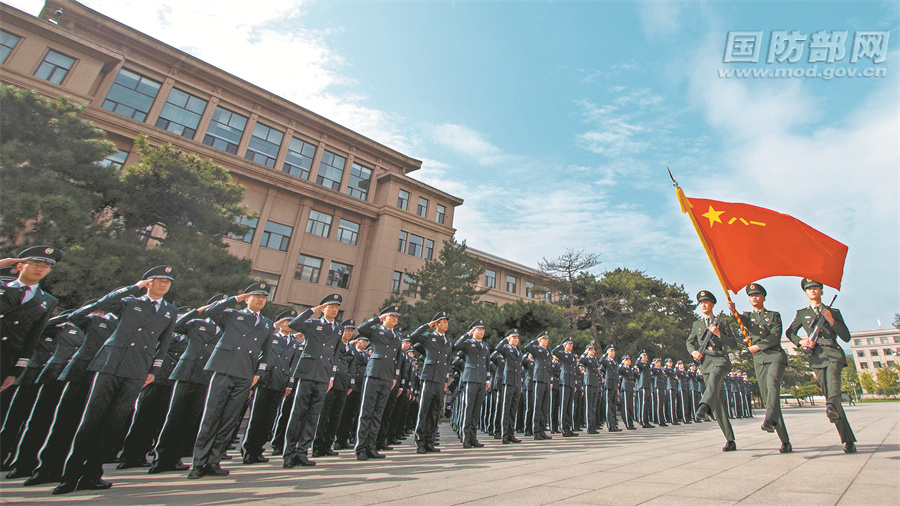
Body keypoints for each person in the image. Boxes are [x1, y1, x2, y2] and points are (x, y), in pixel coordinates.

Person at [54, 266, 178, 494]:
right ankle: (70, 476)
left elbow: (165, 342)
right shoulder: (129, 302)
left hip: (138, 368)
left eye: (167, 282)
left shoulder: (170, 310)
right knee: (91, 420)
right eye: (159, 280)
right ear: (147, 283)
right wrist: (133, 287)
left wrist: (154, 369)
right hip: (111, 364)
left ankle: (93, 474)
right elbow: (103, 303)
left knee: (114, 423)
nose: (163, 285)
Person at [187, 283, 276, 479]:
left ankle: (214, 461)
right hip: (224, 369)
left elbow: (266, 352)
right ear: (247, 299)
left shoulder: (267, 324)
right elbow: (212, 310)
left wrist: (258, 374)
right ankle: (199, 463)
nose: (260, 300)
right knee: (211, 417)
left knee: (229, 419)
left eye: (263, 297)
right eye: (256, 296)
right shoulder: (232, 315)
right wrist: (235, 298)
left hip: (246, 373)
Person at [150, 294, 226, 474]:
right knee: (174, 417)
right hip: (186, 373)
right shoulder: (197, 323)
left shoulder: (226, 329)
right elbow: (176, 326)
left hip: (206, 376)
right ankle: (161, 459)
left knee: (190, 420)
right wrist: (196, 311)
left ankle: (176, 457)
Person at [786, 278, 856, 453]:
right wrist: (801, 342)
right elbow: (790, 332)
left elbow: (846, 336)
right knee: (832, 398)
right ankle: (848, 440)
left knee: (833, 389)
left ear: (821, 291)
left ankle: (830, 406)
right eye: (809, 289)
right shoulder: (802, 314)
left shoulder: (833, 312)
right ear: (806, 293)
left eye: (816, 288)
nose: (813, 291)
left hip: (833, 354)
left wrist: (831, 320)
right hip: (816, 357)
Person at [282, 295, 344, 468]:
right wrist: (313, 310)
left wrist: (331, 376)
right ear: (323, 309)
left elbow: (336, 354)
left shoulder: (339, 328)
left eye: (336, 307)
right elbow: (294, 324)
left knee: (313, 416)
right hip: (307, 372)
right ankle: (289, 454)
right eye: (330, 306)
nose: (334, 310)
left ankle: (302, 452)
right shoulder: (312, 323)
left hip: (324, 375)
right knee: (298, 413)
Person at [0, 246, 61, 392]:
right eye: (35, 264)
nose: (39, 269)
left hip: (5, 359)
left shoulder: (48, 300)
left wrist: (16, 371)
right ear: (19, 266)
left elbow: (33, 337)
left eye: (45, 266)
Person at [242, 310, 299, 464]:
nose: (288, 324)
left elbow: (292, 366)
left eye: (291, 322)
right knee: (256, 417)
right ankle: (248, 451)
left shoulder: (294, 343)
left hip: (280, 382)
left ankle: (258, 450)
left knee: (268, 419)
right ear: (279, 323)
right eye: (286, 321)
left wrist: (289, 384)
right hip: (265, 380)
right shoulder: (271, 337)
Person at [686, 290, 737, 451]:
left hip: (720, 360)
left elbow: (734, 343)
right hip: (705, 363)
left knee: (714, 380)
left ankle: (703, 406)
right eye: (701, 303)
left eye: (706, 302)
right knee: (717, 402)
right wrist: (693, 352)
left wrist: (719, 333)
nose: (703, 305)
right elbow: (689, 342)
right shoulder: (697, 324)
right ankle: (730, 439)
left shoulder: (722, 322)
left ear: (712, 304)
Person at [354, 306, 402, 461]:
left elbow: (398, 359)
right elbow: (361, 328)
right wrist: (377, 319)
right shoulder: (375, 331)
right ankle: (361, 448)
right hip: (374, 374)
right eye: (391, 316)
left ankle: (371, 446)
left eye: (396, 317)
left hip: (387, 377)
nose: (394, 319)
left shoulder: (397, 337)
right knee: (366, 412)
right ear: (384, 318)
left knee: (378, 413)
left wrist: (394, 377)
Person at [409, 312, 453, 454]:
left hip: (440, 379)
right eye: (443, 322)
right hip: (429, 377)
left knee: (435, 412)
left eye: (447, 322)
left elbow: (447, 363)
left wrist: (445, 380)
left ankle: (430, 441)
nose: (446, 324)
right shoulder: (429, 337)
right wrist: (428, 325)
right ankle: (420, 442)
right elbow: (413, 336)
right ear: (436, 324)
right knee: (424, 410)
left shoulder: (448, 341)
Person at [453, 320, 491, 448]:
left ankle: (473, 438)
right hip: (471, 378)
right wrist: (467, 334)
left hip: (481, 379)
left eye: (482, 330)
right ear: (473, 331)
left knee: (476, 410)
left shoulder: (485, 346)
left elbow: (487, 363)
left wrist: (487, 380)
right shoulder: (468, 343)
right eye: (478, 329)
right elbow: (457, 345)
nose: (481, 332)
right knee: (468, 409)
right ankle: (465, 438)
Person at [492, 329, 524, 444]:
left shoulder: (519, 351)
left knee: (513, 409)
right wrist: (505, 339)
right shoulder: (506, 349)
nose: (516, 340)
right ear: (509, 339)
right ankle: (504, 434)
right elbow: (498, 348)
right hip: (508, 381)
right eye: (513, 338)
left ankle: (511, 433)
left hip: (516, 382)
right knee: (506, 409)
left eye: (517, 338)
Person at [524, 332, 552, 440]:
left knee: (544, 407)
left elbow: (549, 367)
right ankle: (536, 431)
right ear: (540, 340)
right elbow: (527, 347)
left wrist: (550, 381)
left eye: (547, 340)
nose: (546, 341)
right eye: (544, 339)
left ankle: (542, 429)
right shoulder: (536, 349)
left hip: (546, 380)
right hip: (538, 379)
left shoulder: (547, 352)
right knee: (537, 405)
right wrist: (536, 340)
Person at [579, 345, 602, 434]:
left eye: (593, 350)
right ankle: (589, 427)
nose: (593, 351)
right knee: (589, 406)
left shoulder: (595, 360)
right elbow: (580, 360)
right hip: (589, 383)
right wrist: (585, 352)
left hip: (595, 383)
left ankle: (593, 425)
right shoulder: (586, 359)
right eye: (591, 350)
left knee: (593, 407)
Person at [599, 345, 621, 432]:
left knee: (613, 406)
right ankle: (610, 425)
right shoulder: (606, 361)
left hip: (614, 386)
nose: (613, 353)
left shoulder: (615, 363)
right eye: (611, 351)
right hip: (608, 385)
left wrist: (617, 387)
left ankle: (614, 424)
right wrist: (605, 354)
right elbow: (601, 362)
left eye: (613, 351)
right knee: (609, 406)